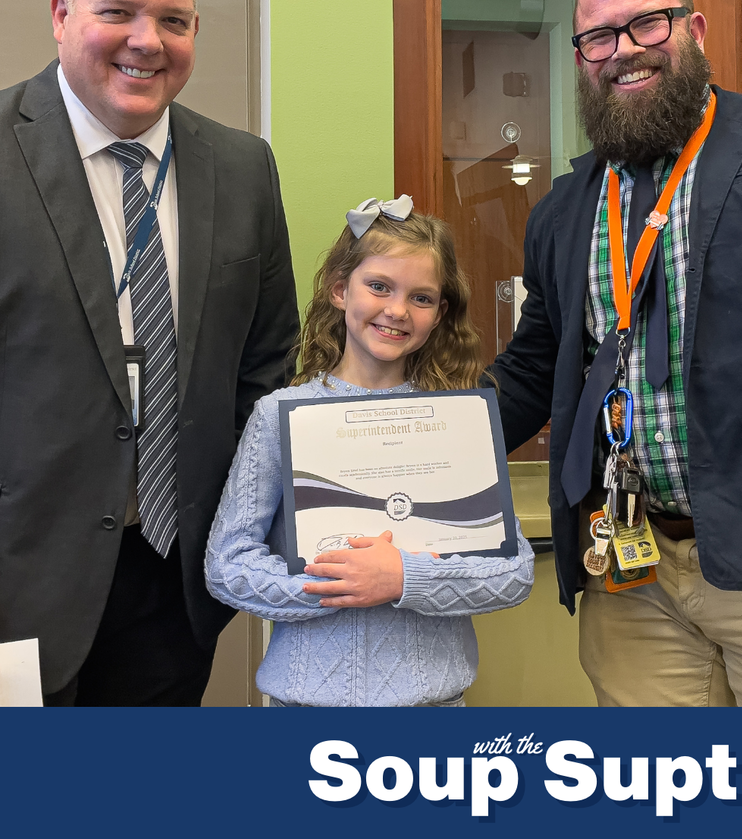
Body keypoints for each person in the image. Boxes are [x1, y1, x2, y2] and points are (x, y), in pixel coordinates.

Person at [0, 0, 298, 705]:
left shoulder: (242, 168)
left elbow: (266, 369)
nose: (146, 41)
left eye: (172, 18)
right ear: (61, 14)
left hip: (172, 584)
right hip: (10, 584)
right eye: (117, 11)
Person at [490, 0, 742, 707]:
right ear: (579, 58)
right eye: (598, 35)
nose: (623, 49)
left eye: (646, 24)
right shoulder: (565, 209)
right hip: (629, 574)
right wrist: (411, 445)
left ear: (692, 31)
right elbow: (535, 367)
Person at [205, 196, 534, 706]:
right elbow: (226, 565)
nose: (397, 310)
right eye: (379, 286)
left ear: (439, 312)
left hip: (432, 711)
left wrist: (404, 578)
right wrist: (342, 585)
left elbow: (512, 572)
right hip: (302, 708)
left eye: (421, 297)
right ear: (340, 289)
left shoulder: (456, 421)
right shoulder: (279, 415)